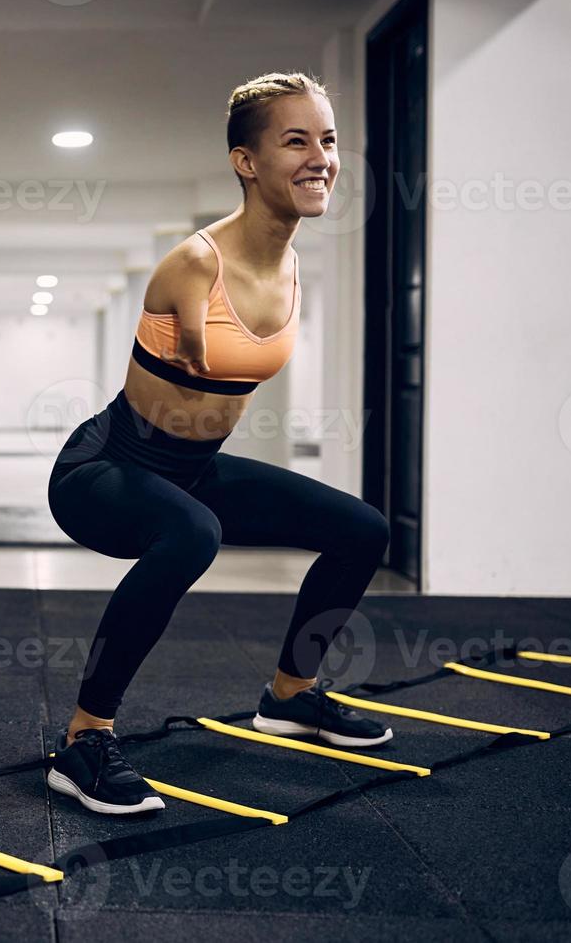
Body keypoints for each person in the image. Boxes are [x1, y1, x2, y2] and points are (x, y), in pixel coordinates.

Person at [45, 71, 392, 816]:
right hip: (107, 466)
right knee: (191, 534)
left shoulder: (292, 264)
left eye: (327, 140)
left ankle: (291, 694)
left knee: (363, 530)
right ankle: (84, 737)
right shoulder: (196, 264)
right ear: (246, 161)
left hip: (191, 469)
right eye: (295, 140)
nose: (319, 157)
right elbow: (195, 355)